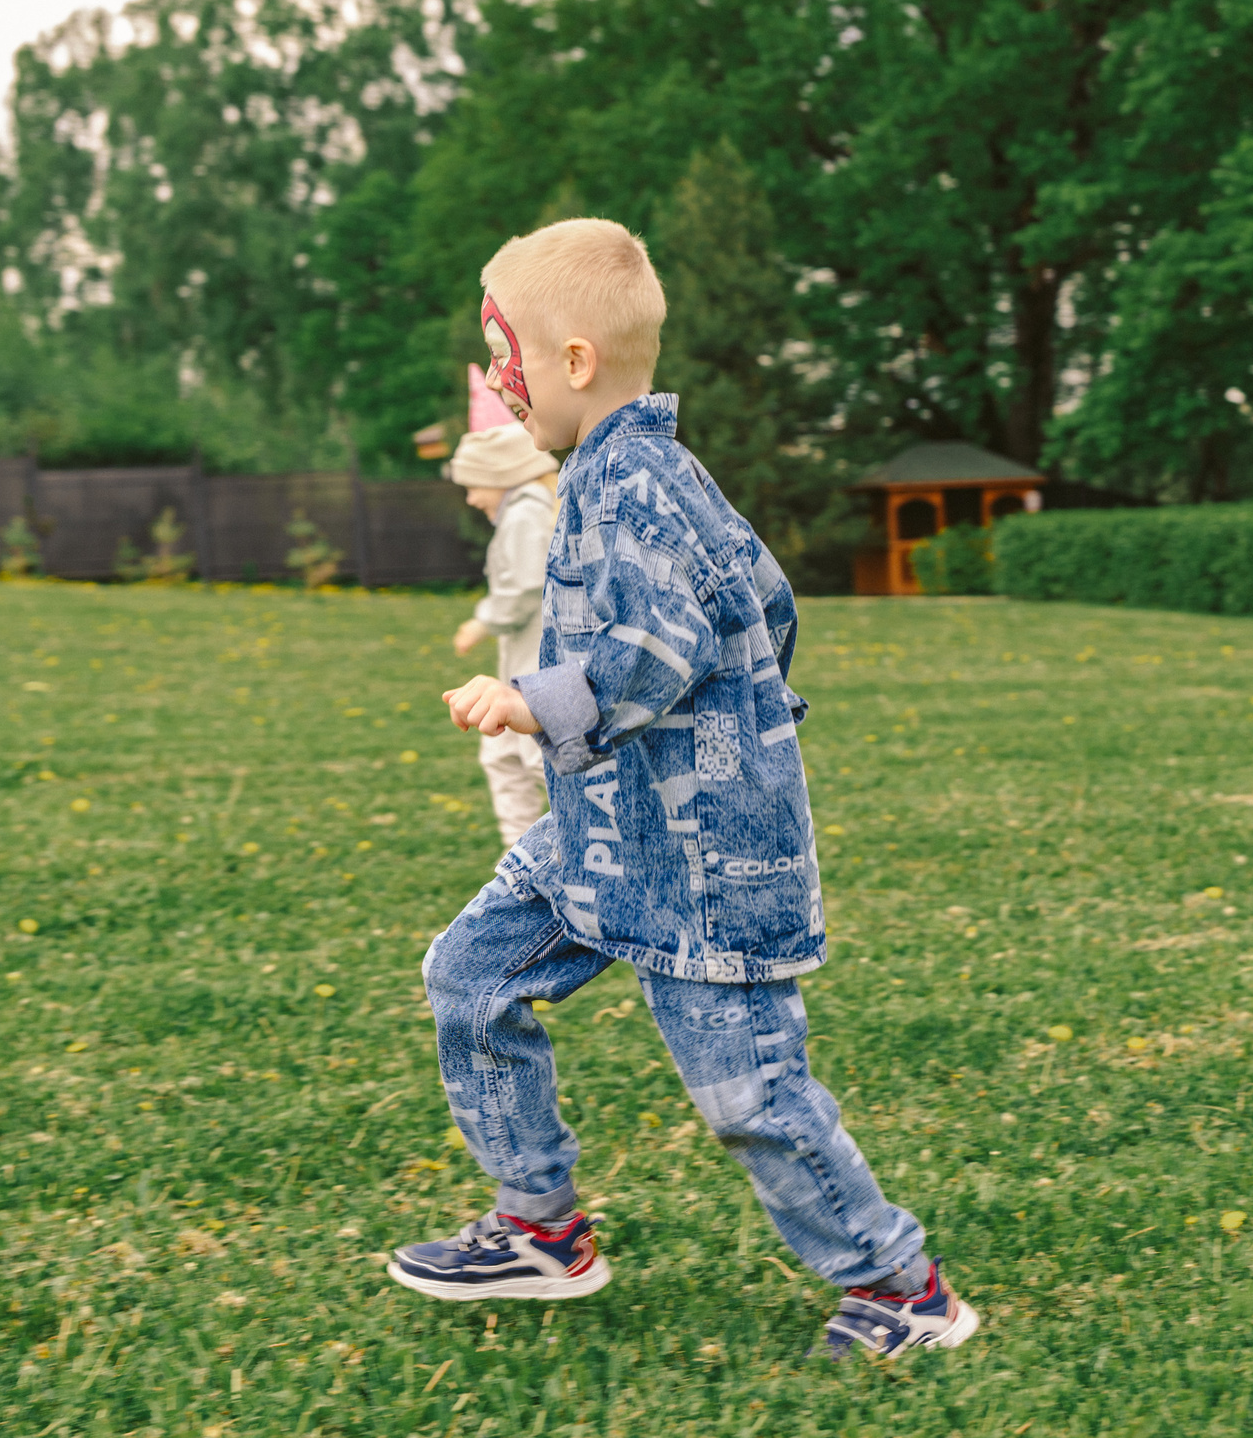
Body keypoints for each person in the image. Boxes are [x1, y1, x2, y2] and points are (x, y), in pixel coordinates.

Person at [387, 217, 976, 1359]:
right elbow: (769, 601)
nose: (497, 378)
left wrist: (533, 700)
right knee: (470, 975)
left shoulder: (635, 487)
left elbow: (658, 648)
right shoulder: (626, 474)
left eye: (506, 352)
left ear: (575, 361)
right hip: (603, 825)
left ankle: (903, 1290)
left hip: (705, 851)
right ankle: (540, 1229)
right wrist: (751, 704)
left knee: (749, 1095)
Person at [445, 422, 559, 853]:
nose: (471, 499)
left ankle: (576, 849)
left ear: (501, 477)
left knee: (538, 760)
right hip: (521, 659)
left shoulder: (526, 514)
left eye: (474, 486)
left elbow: (527, 586)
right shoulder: (520, 513)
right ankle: (521, 857)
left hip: (538, 661)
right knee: (501, 756)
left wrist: (482, 622)